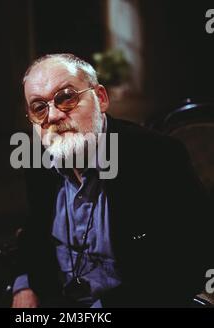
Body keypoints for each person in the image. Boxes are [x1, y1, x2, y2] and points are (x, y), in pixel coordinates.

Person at [11, 53, 211, 308]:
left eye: (66, 98)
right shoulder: (36, 157)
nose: (52, 116)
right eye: (39, 107)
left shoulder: (156, 156)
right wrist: (24, 284)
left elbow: (187, 262)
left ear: (101, 99)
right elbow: (35, 226)